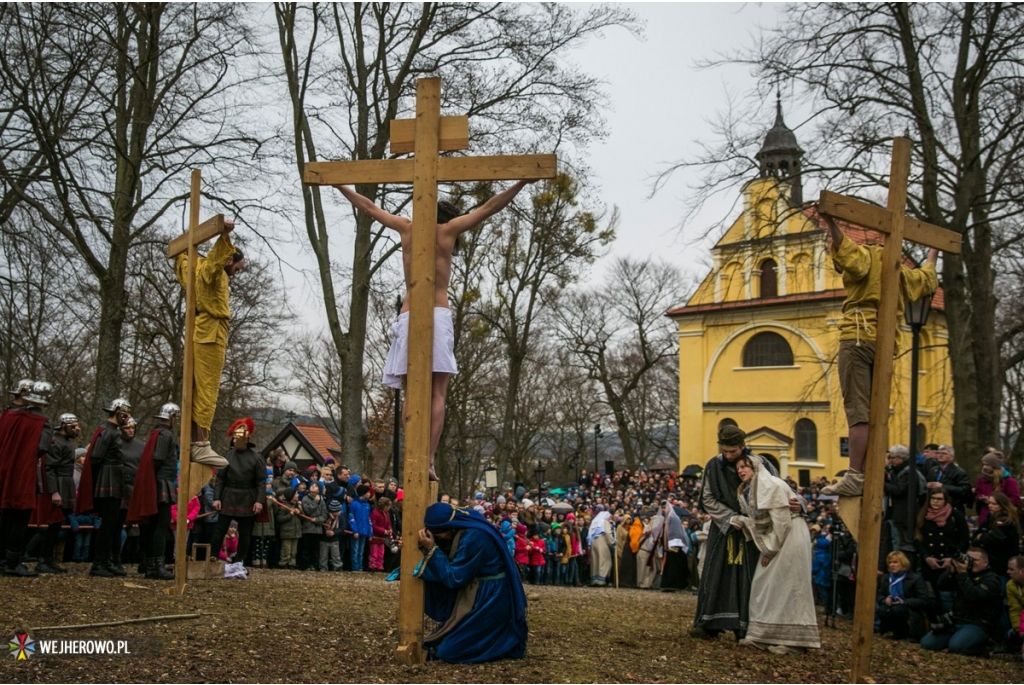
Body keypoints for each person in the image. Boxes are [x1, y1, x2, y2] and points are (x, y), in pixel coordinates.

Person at [335, 180, 535, 481]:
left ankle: (412, 454)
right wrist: (521, 183)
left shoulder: (406, 227)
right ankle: (427, 457)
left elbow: (368, 206)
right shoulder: (448, 231)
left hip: (409, 311)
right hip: (438, 313)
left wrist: (339, 185)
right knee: (437, 392)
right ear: (446, 217)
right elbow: (490, 207)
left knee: (410, 391)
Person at [819, 213, 939, 497]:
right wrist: (934, 248)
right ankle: (871, 469)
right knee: (875, 411)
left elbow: (847, 253)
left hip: (858, 337)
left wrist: (831, 224)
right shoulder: (900, 270)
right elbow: (927, 277)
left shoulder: (868, 257)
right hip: (885, 344)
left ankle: (856, 475)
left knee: (858, 411)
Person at [692, 424, 787, 639]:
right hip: (723, 528)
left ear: (743, 446)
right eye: (725, 451)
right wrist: (728, 517)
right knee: (716, 571)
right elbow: (707, 497)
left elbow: (778, 487)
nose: (729, 456)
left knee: (749, 575)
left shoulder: (759, 464)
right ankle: (709, 622)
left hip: (752, 530)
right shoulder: (713, 466)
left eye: (733, 452)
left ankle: (745, 626)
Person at [414, 501, 527, 663]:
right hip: (482, 593)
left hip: (491, 598)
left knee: (448, 651)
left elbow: (455, 577)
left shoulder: (475, 537)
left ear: (448, 527)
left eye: (438, 536)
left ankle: (501, 643)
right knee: (443, 642)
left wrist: (432, 549)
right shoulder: (467, 524)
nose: (439, 539)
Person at [731, 454, 820, 654]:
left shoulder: (771, 485)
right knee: (766, 585)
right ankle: (764, 635)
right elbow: (762, 521)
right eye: (738, 468)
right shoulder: (749, 490)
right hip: (779, 535)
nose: (741, 470)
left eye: (745, 466)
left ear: (755, 467)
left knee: (790, 585)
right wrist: (743, 521)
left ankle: (794, 641)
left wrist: (770, 549)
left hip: (790, 534)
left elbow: (781, 520)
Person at [173, 218, 241, 469]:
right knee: (207, 389)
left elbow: (181, 261)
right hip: (211, 332)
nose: (236, 272)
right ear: (228, 260)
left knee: (197, 388)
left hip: (202, 329)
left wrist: (182, 251)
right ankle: (200, 444)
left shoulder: (193, 268)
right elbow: (215, 263)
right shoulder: (212, 273)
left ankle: (194, 442)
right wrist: (223, 236)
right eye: (237, 266)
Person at [1, 382, 53, 577]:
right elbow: (42, 448)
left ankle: (2, 559)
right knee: (20, 515)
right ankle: (13, 562)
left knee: (5, 515)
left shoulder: (9, 415)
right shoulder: (42, 421)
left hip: (4, 469)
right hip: (23, 471)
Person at [76, 397, 132, 577]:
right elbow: (96, 457)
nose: (128, 417)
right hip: (107, 480)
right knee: (108, 523)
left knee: (113, 522)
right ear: (118, 413)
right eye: (126, 414)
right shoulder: (108, 432)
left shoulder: (113, 431)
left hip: (112, 478)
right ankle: (98, 563)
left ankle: (106, 561)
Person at [126, 403, 180, 580]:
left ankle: (151, 565)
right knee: (161, 525)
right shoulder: (165, 434)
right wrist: (154, 482)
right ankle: (156, 566)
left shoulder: (157, 433)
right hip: (160, 481)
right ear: (172, 418)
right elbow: (157, 458)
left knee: (154, 525)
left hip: (157, 481)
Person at [920, 547, 1003, 656]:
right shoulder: (964, 573)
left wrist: (963, 573)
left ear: (986, 562)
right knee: (927, 643)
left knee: (956, 648)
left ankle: (982, 648)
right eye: (968, 559)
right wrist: (952, 571)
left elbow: (973, 595)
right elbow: (941, 585)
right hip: (957, 620)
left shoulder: (991, 580)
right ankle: (959, 639)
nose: (971, 562)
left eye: (976, 560)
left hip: (978, 623)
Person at [209, 418, 266, 572]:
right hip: (229, 494)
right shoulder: (227, 456)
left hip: (248, 496)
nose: (234, 440)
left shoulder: (256, 458)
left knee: (245, 533)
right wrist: (216, 498)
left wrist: (259, 501)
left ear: (245, 439)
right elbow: (220, 478)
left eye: (236, 438)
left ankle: (240, 560)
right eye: (233, 438)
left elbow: (261, 482)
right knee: (220, 529)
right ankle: (213, 556)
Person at [33, 412, 81, 574]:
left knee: (58, 524)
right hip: (58, 485)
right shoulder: (55, 443)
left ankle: (48, 559)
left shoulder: (66, 443)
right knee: (53, 525)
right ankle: (43, 560)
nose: (77, 429)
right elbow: (49, 468)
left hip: (65, 483)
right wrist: (54, 492)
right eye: (73, 426)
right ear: (64, 427)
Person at [914, 487, 970, 616]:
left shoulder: (956, 516)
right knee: (933, 597)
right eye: (933, 498)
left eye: (939, 499)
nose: (935, 501)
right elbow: (918, 538)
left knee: (949, 595)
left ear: (945, 500)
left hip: (950, 563)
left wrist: (953, 558)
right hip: (930, 562)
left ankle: (953, 620)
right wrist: (926, 556)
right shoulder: (923, 515)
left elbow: (964, 539)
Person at [875, 551, 930, 641]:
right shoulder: (886, 578)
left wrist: (904, 601)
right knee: (882, 609)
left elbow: (924, 600)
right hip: (891, 606)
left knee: (897, 609)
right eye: (890, 562)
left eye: (895, 562)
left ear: (903, 563)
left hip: (910, 609)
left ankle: (909, 633)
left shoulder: (916, 578)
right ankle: (890, 631)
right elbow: (879, 593)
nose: (892, 565)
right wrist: (884, 600)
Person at [974, 452, 1021, 525]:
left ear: (994, 466)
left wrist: (997, 502)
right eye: (983, 464)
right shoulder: (981, 479)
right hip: (984, 517)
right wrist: (981, 498)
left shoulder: (1009, 481)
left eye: (987, 465)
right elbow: (977, 493)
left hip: (1004, 517)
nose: (984, 467)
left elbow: (1015, 500)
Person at [654, 501, 690, 592]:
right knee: (669, 565)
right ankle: (669, 585)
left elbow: (675, 532)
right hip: (669, 545)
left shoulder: (673, 518)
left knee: (674, 566)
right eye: (662, 508)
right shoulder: (667, 518)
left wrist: (672, 544)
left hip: (675, 545)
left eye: (664, 508)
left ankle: (673, 585)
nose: (663, 510)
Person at [925, 445, 972, 512]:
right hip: (934, 506)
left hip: (952, 507)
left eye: (944, 453)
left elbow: (964, 490)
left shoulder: (959, 472)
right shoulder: (933, 470)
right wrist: (928, 485)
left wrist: (943, 486)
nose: (940, 455)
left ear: (951, 457)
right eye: (938, 453)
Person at [587, 507, 614, 586]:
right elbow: (608, 533)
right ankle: (601, 580)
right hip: (602, 542)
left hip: (593, 543)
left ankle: (594, 579)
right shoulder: (605, 522)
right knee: (604, 561)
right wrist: (612, 542)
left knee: (595, 561)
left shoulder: (594, 522)